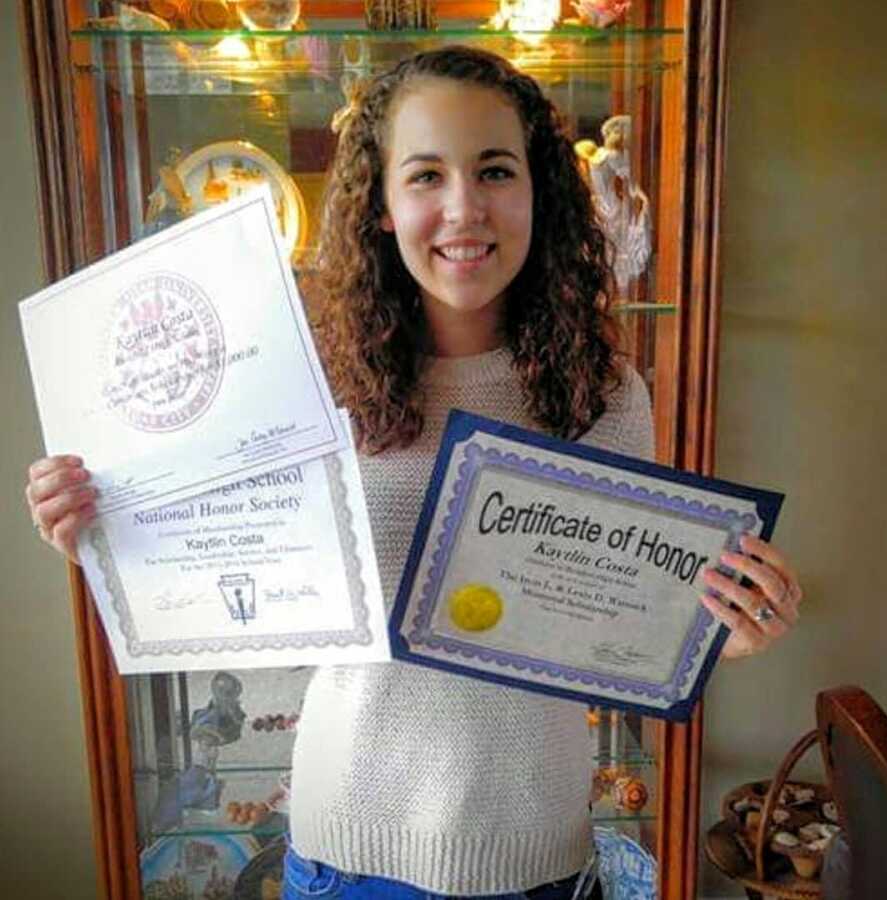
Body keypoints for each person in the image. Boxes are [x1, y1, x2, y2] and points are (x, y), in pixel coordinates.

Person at [25, 46, 803, 900]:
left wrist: (722, 631)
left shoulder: (607, 395)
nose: (464, 209)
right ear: (383, 206)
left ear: (539, 190)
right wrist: (106, 529)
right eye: (426, 175)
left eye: (495, 170)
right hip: (347, 848)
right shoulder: (306, 386)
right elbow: (208, 568)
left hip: (535, 850)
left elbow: (627, 613)